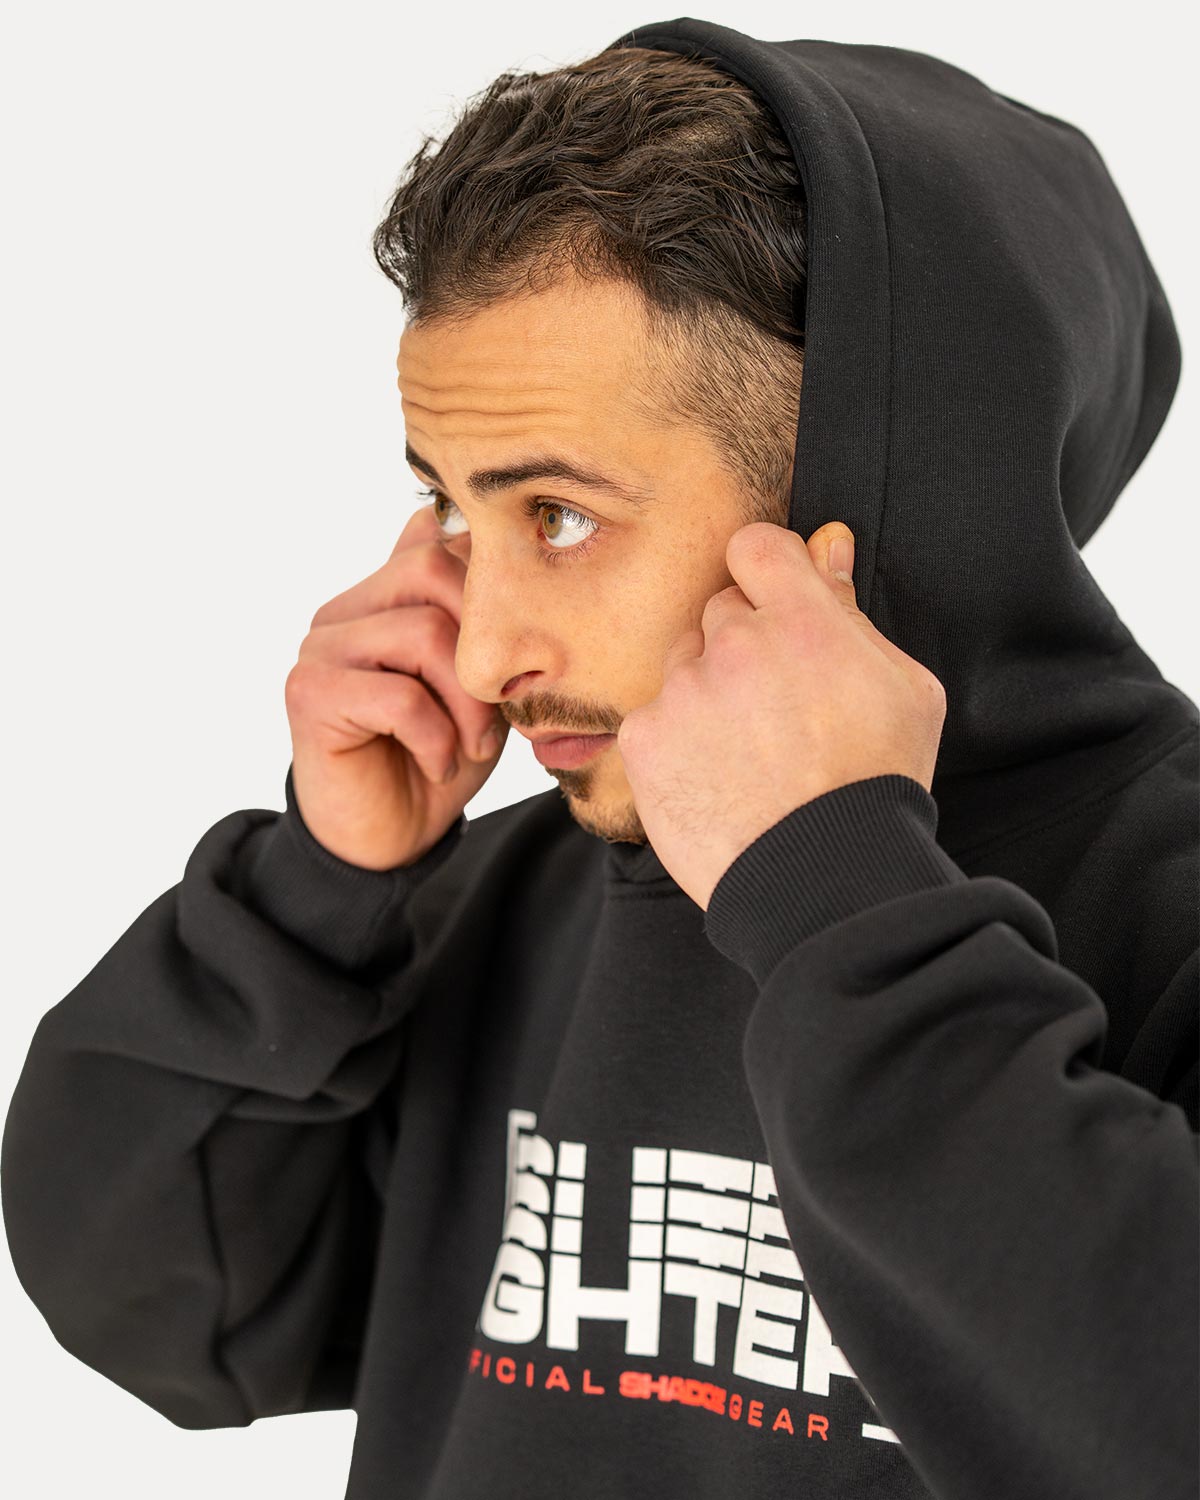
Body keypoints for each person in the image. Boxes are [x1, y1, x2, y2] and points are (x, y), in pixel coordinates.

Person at [3, 17, 1197, 1500]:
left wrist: (843, 905)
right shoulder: (503, 902)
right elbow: (158, 1311)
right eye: (456, 511)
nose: (482, 650)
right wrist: (316, 897)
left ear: (870, 488)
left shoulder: (1168, 910)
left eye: (558, 516)